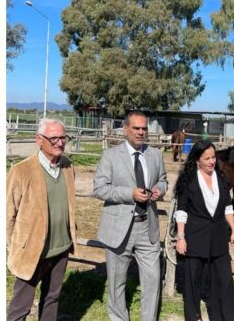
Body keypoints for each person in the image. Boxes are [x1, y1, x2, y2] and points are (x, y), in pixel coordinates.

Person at [93, 110, 167, 321]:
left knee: (152, 280)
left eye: (144, 128)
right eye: (136, 128)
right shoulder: (110, 156)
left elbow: (163, 180)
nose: (141, 132)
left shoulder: (155, 155)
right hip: (119, 229)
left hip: (147, 227)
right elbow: (99, 188)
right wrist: (130, 194)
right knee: (117, 281)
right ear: (125, 129)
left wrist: (159, 190)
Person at [6, 118, 77, 321]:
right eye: (54, 138)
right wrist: (16, 248)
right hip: (32, 251)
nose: (60, 142)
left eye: (63, 137)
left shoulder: (68, 167)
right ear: (39, 139)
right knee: (21, 305)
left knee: (52, 298)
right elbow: (9, 213)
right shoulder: (21, 171)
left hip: (61, 247)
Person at [173, 139, 234, 321]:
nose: (212, 161)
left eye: (213, 157)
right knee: (193, 282)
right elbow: (181, 210)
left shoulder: (222, 178)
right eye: (207, 158)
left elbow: (227, 207)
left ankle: (226, 318)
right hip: (195, 238)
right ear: (197, 160)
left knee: (224, 281)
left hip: (218, 238)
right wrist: (181, 237)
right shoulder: (189, 181)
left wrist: (233, 229)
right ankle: (193, 317)